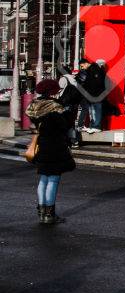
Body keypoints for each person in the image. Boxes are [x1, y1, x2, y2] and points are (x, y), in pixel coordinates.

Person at [28, 78, 75, 224]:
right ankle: (49, 213)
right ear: (52, 92)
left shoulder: (34, 106)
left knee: (43, 178)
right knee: (53, 179)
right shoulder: (55, 107)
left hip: (42, 145)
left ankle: (41, 211)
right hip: (55, 146)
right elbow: (63, 126)